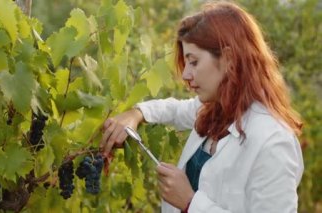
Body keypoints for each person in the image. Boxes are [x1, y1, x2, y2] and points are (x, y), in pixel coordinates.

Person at [100, 1, 304, 213]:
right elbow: (175, 110)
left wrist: (190, 203)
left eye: (194, 62)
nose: (186, 75)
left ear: (229, 59)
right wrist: (136, 113)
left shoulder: (273, 142)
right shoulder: (216, 109)